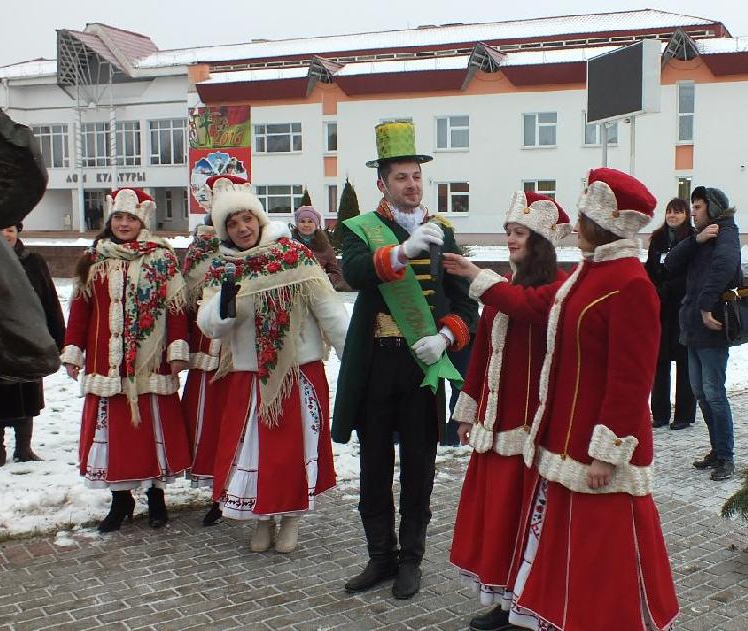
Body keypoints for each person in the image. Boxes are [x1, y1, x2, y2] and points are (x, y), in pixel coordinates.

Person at [444, 168, 680, 631]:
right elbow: (532, 312)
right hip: (563, 438)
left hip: (595, 445)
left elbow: (631, 379)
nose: (576, 227)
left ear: (600, 223)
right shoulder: (587, 277)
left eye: (584, 215)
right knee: (558, 540)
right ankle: (548, 611)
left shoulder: (630, 283)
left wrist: (606, 453)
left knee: (601, 548)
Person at [333, 122, 478, 600]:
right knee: (374, 465)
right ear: (383, 184)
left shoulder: (444, 232)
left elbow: (465, 304)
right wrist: (399, 253)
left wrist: (445, 336)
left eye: (416, 176)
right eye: (401, 177)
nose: (411, 185)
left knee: (419, 465)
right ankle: (380, 556)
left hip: (422, 367)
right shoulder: (358, 230)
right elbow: (354, 272)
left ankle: (411, 559)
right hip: (376, 364)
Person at [197, 175, 349, 554]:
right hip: (250, 376)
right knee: (256, 453)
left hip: (298, 373)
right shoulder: (223, 269)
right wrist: (228, 299)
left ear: (259, 219)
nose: (242, 228)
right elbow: (210, 325)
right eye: (232, 224)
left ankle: (291, 518)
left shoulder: (294, 256)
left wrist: (355, 356)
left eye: (247, 219)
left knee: (292, 453)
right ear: (224, 230)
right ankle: (263, 519)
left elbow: (329, 310)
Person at [450, 191, 570, 631]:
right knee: (498, 520)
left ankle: (530, 603)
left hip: (533, 429)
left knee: (526, 521)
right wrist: (467, 410)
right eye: (508, 232)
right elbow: (482, 351)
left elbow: (530, 310)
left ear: (540, 240)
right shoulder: (503, 285)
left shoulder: (557, 287)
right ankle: (505, 602)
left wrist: (478, 277)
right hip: (496, 424)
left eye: (518, 233)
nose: (510, 240)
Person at [61, 188, 192, 532]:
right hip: (107, 362)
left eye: (130, 218)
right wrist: (73, 350)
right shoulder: (93, 259)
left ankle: (156, 498)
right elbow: (80, 310)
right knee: (117, 433)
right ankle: (121, 501)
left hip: (151, 363)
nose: (123, 223)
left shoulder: (161, 258)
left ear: (142, 221)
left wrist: (178, 348)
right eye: (118, 217)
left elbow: (176, 308)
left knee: (150, 430)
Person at [0, 222, 64, 468]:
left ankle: (24, 447)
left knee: (27, 395)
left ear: (18, 232)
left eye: (9, 229)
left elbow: (49, 300)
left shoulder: (33, 262)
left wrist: (58, 338)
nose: (4, 235)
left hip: (27, 341)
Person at [664, 186, 742, 482]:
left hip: (711, 327)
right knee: (700, 393)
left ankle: (726, 457)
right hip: (693, 328)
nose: (692, 211)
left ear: (712, 206)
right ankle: (717, 450)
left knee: (714, 393)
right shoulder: (703, 235)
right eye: (693, 206)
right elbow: (670, 264)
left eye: (697, 206)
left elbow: (724, 269)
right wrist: (695, 240)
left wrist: (706, 307)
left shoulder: (727, 233)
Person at [180, 218, 227, 526]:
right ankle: (216, 489)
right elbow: (182, 301)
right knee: (204, 421)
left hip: (235, 353)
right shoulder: (199, 249)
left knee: (229, 422)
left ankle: (228, 488)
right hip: (203, 350)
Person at [645, 198, 696, 430]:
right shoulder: (657, 238)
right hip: (660, 307)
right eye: (669, 212)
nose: (672, 216)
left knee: (684, 362)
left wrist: (667, 288)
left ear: (686, 215)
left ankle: (684, 415)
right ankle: (660, 413)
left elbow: (691, 273)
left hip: (682, 306)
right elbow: (651, 266)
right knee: (659, 361)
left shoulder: (693, 239)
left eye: (677, 212)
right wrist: (652, 287)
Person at [290, 205, 347, 290]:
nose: (306, 225)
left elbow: (335, 272)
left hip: (318, 291)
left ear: (316, 224)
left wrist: (326, 278)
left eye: (310, 221)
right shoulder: (288, 243)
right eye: (302, 221)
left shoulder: (324, 246)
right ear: (297, 224)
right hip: (292, 290)